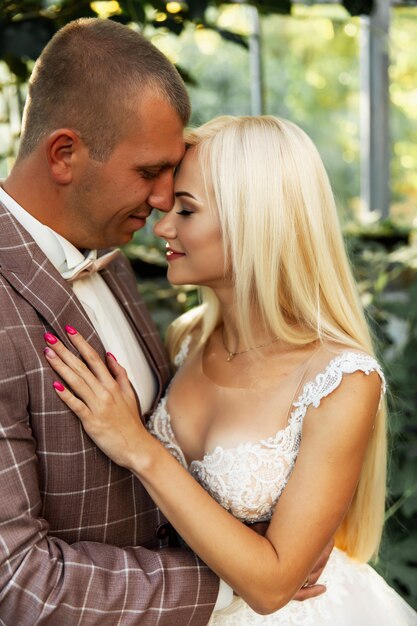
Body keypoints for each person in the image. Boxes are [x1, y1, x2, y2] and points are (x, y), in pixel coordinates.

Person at [0, 19, 328, 625]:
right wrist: (247, 575)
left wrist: (270, 536)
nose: (162, 201)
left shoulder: (113, 261)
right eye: (149, 173)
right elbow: (19, 583)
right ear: (64, 154)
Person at [43, 115, 417, 625]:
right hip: (184, 606)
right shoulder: (189, 336)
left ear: (255, 220)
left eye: (186, 210)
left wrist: (139, 447)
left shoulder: (342, 379)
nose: (163, 225)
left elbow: (271, 587)